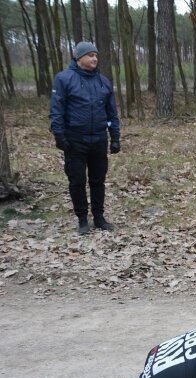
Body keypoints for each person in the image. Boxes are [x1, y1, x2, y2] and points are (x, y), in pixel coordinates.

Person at [49, 41, 121, 235]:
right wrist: (59, 135)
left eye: (96, 55)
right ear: (79, 58)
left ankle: (99, 217)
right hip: (75, 140)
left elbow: (111, 112)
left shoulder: (103, 82)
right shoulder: (64, 79)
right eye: (90, 55)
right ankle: (82, 219)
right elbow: (56, 110)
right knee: (77, 181)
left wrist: (115, 136)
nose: (94, 58)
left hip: (98, 139)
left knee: (98, 180)